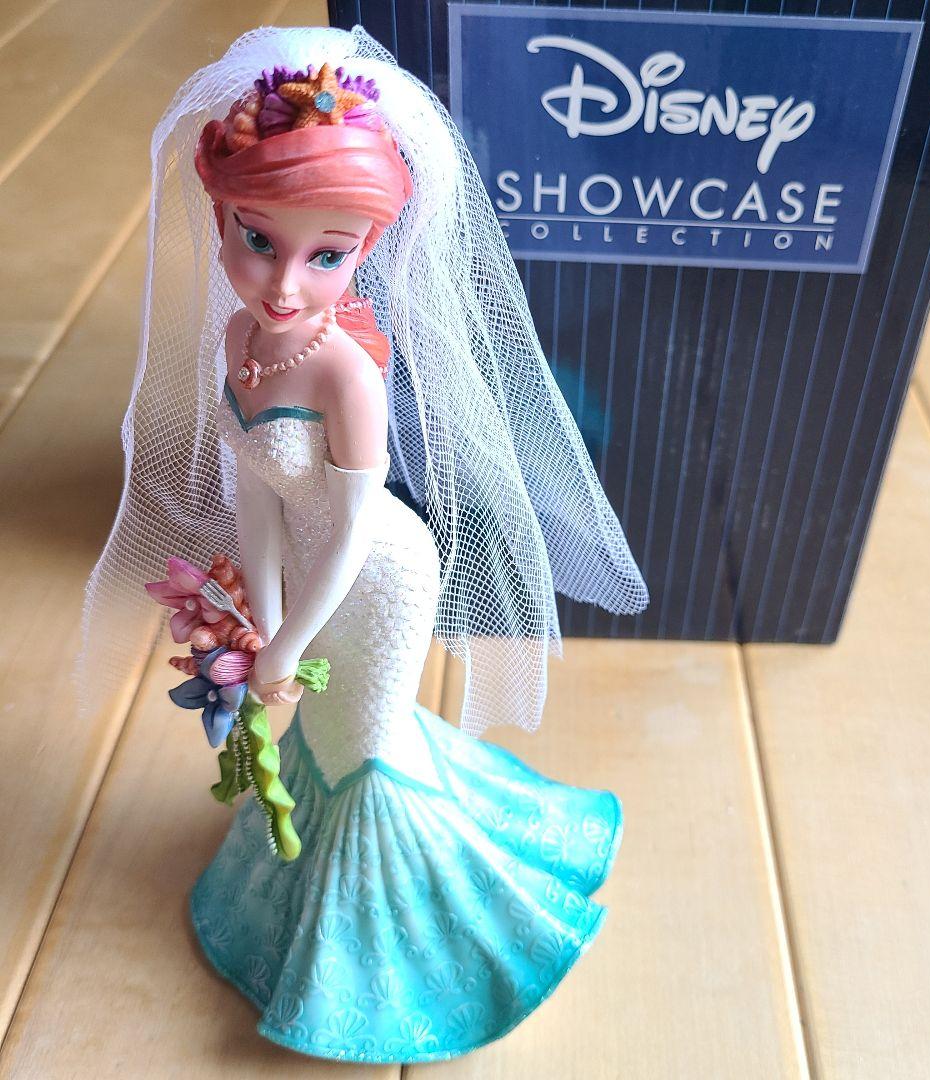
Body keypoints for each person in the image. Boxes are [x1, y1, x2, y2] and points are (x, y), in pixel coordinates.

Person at [81, 25, 648, 1063]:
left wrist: (292, 638)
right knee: (322, 732)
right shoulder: (240, 339)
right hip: (304, 563)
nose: (285, 282)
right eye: (258, 238)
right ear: (220, 215)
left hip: (375, 573)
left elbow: (351, 522)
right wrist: (263, 611)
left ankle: (406, 951)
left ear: (367, 250)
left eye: (328, 255)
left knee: (363, 745)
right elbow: (259, 492)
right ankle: (309, 888)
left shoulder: (344, 372)